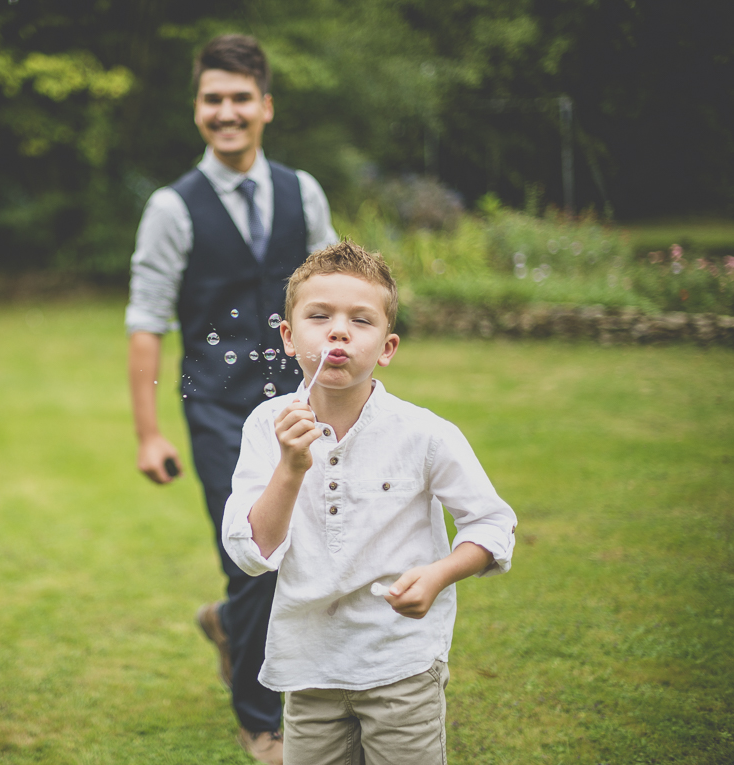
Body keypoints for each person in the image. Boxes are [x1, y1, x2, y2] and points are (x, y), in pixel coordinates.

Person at [126, 33, 338, 764]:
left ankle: (223, 623)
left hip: (299, 401)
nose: (227, 111)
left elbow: (331, 289)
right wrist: (149, 433)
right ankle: (261, 720)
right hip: (217, 409)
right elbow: (146, 324)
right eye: (214, 99)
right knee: (255, 552)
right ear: (197, 111)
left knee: (307, 543)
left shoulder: (301, 191)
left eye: (240, 98)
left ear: (265, 106)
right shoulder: (171, 207)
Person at [222, 241, 518, 764]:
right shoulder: (267, 428)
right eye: (320, 316)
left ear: (387, 346)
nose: (339, 331)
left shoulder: (424, 434)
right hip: (309, 664)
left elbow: (492, 523)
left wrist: (439, 574)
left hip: (400, 660)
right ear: (288, 338)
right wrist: (291, 467)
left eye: (361, 320)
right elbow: (252, 553)